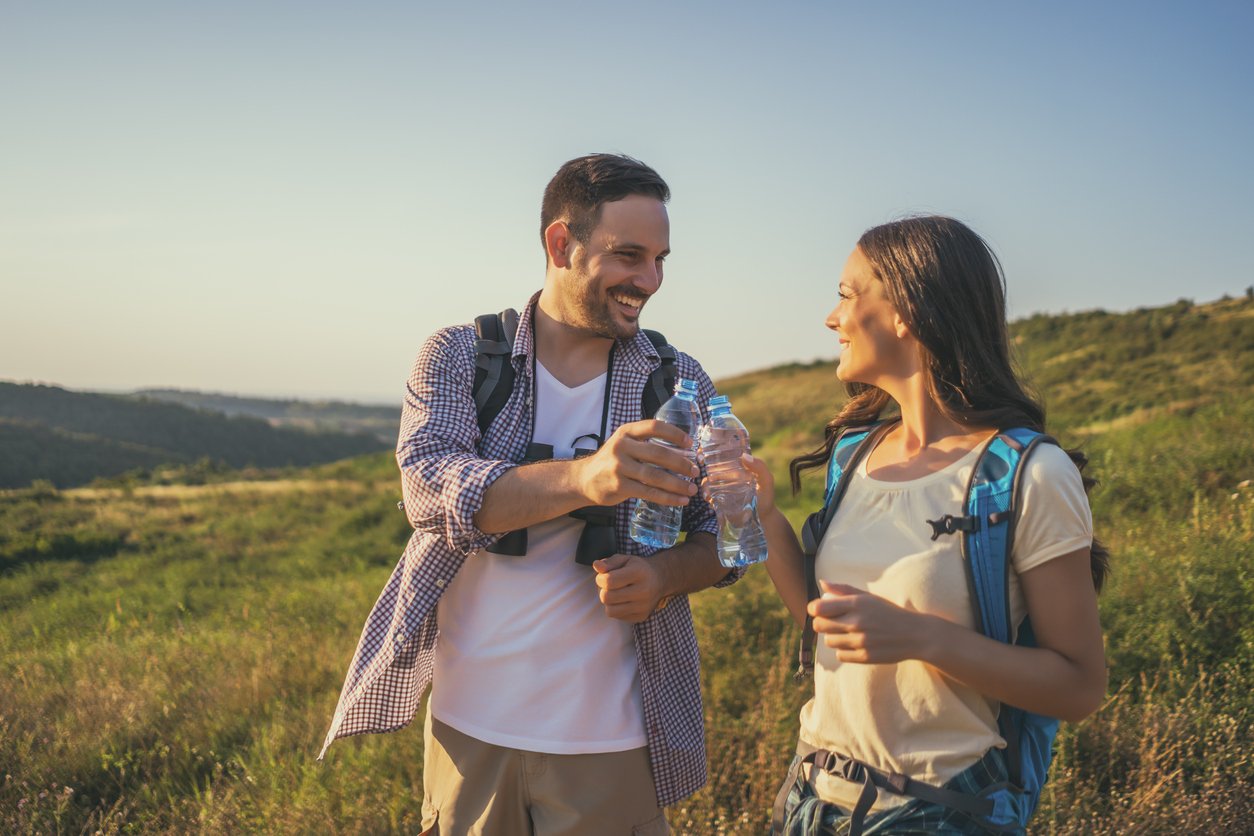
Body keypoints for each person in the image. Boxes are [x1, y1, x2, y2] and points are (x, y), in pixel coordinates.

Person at [319, 153, 736, 835]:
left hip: (613, 741)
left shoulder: (678, 380)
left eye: (660, 259)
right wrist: (586, 478)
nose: (649, 280)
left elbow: (725, 543)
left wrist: (663, 574)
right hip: (469, 729)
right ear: (560, 243)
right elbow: (429, 491)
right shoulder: (459, 355)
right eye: (629, 255)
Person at [741, 216, 1109, 834]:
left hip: (939, 812)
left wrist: (921, 638)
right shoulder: (853, 455)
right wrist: (763, 513)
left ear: (907, 311)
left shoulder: (1027, 474)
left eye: (846, 295)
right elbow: (821, 618)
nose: (831, 319)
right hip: (810, 800)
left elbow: (1079, 687)